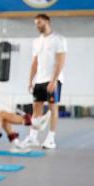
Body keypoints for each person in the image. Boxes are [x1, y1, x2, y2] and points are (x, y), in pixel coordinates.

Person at [22, 13, 66, 149]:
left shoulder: (59, 39)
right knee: (36, 109)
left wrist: (54, 81)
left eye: (40, 23)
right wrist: (30, 81)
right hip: (39, 81)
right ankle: (33, 137)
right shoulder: (36, 41)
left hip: (53, 80)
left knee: (53, 109)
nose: (38, 26)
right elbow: (34, 63)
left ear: (47, 21)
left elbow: (61, 62)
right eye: (36, 24)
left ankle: (51, 139)